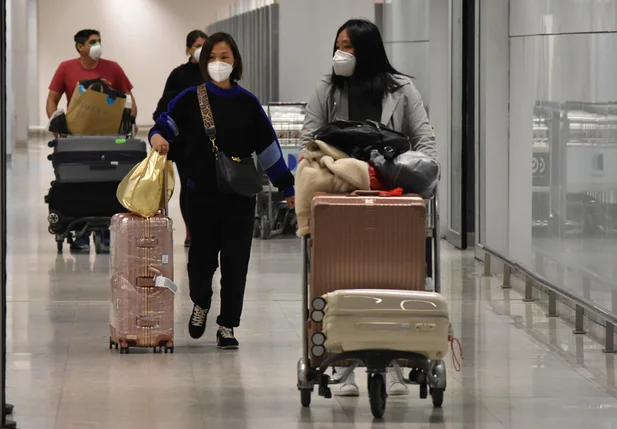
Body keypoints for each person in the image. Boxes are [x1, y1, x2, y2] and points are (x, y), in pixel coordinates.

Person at [300, 19, 437, 397]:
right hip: (341, 199)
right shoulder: (327, 90)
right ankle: (343, 365)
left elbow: (425, 143)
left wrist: (413, 176)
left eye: (350, 46)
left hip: (392, 198)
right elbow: (310, 141)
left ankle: (394, 364)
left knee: (394, 277)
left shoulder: (403, 90)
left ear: (368, 49)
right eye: (338, 45)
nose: (341, 53)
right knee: (342, 278)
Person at [150, 32, 295, 349]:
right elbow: (164, 124)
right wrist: (158, 138)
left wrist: (288, 187)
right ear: (203, 62)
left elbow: (269, 150)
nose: (218, 63)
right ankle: (200, 303)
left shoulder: (248, 104)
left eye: (225, 57)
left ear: (236, 61)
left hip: (239, 197)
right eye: (212, 57)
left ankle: (227, 324)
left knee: (236, 262)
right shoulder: (190, 98)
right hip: (200, 194)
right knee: (201, 259)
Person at [47, 29, 138, 251]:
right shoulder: (66, 68)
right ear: (80, 47)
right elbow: (52, 98)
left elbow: (129, 99)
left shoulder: (113, 68)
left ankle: (107, 230)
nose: (98, 44)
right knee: (78, 182)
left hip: (109, 136)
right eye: (92, 42)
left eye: (99, 40)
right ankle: (79, 233)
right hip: (77, 136)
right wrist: (55, 121)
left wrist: (130, 120)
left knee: (108, 181)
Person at [153, 30, 208, 248]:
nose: (201, 48)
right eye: (197, 45)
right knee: (190, 186)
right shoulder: (179, 75)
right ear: (188, 49)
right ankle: (191, 229)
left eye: (205, 44)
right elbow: (163, 108)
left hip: (211, 142)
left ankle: (208, 227)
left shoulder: (214, 73)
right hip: (185, 144)